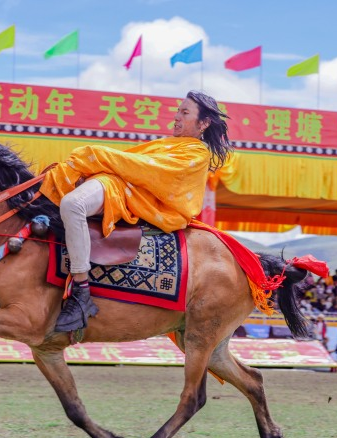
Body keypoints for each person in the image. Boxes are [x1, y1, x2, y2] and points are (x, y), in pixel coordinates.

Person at [39, 91, 232, 332]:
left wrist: (95, 154)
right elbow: (135, 165)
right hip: (116, 184)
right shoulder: (170, 144)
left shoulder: (196, 154)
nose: (176, 117)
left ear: (203, 123)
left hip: (124, 193)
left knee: (73, 205)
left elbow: (146, 170)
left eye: (184, 113)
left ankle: (81, 289)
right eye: (177, 111)